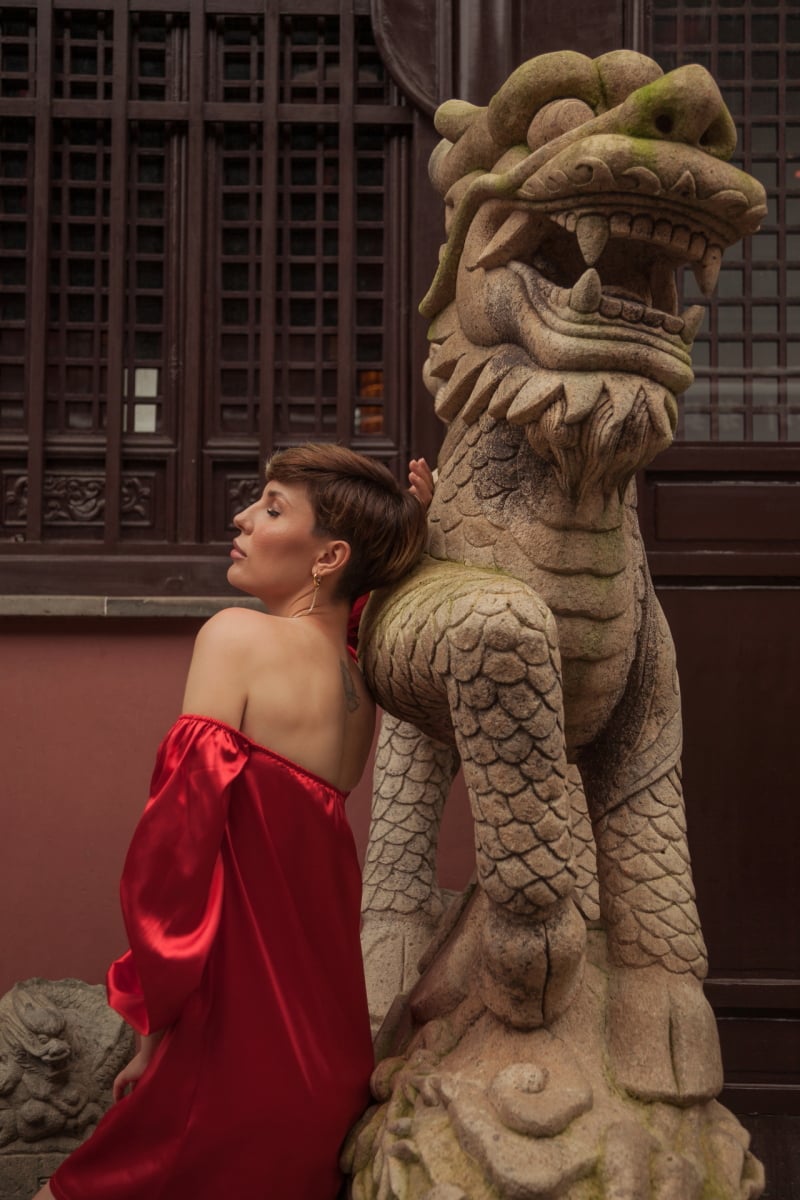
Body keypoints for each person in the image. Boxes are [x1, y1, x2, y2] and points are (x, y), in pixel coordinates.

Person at [38, 444, 431, 1200]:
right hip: (328, 1062)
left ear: (331, 555)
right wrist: (420, 525)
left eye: (275, 507)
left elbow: (173, 859)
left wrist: (153, 1032)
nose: (244, 517)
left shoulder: (237, 636)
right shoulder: (360, 684)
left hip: (233, 1052)